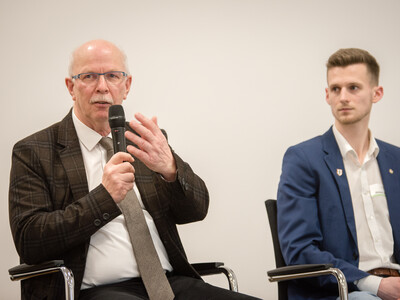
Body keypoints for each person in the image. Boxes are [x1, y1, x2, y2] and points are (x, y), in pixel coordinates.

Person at [9, 39, 259, 300]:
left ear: (126, 86)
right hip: (92, 291)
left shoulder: (144, 139)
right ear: (71, 87)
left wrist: (171, 171)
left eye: (113, 76)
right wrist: (105, 197)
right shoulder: (35, 150)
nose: (102, 87)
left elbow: (197, 210)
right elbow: (30, 241)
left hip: (169, 285)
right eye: (90, 76)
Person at [277, 48, 400, 300]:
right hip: (343, 291)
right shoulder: (304, 159)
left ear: (376, 93)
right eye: (335, 89)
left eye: (353, 87)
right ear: (327, 95)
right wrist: (375, 285)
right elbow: (299, 250)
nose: (343, 97)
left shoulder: (395, 160)